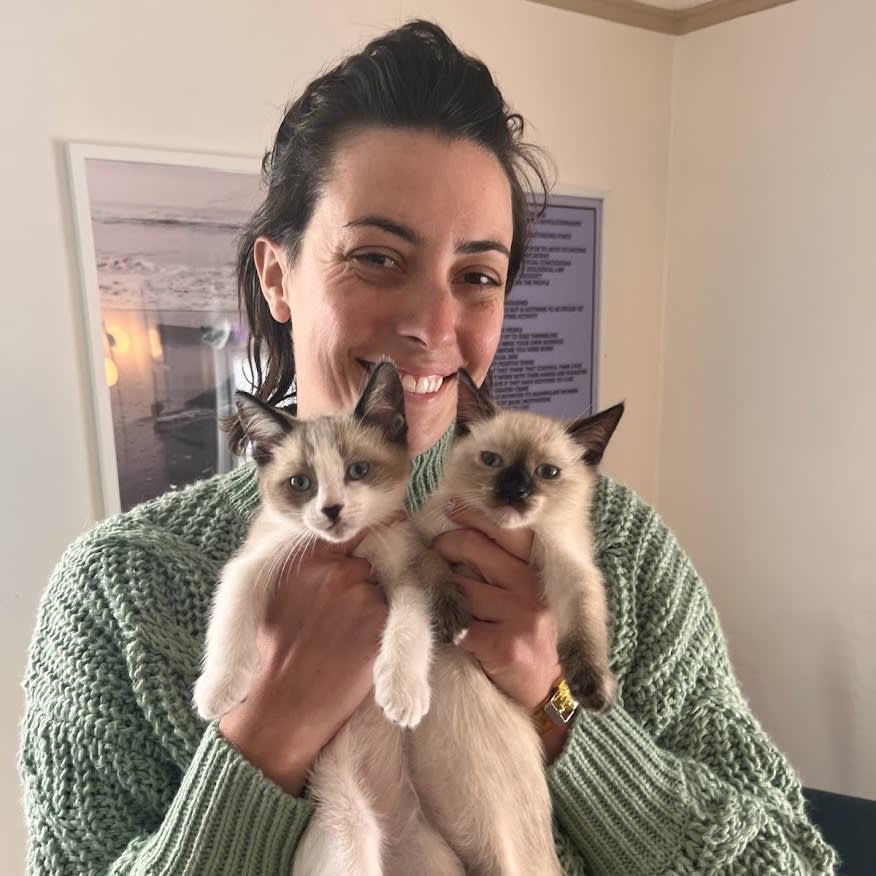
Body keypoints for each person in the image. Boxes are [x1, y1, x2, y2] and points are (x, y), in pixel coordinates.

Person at [20, 20, 836, 876]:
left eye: (478, 275)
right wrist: (265, 734)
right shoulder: (122, 590)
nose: (431, 326)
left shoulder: (622, 553)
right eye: (376, 257)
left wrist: (555, 708)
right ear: (276, 275)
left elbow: (788, 863)